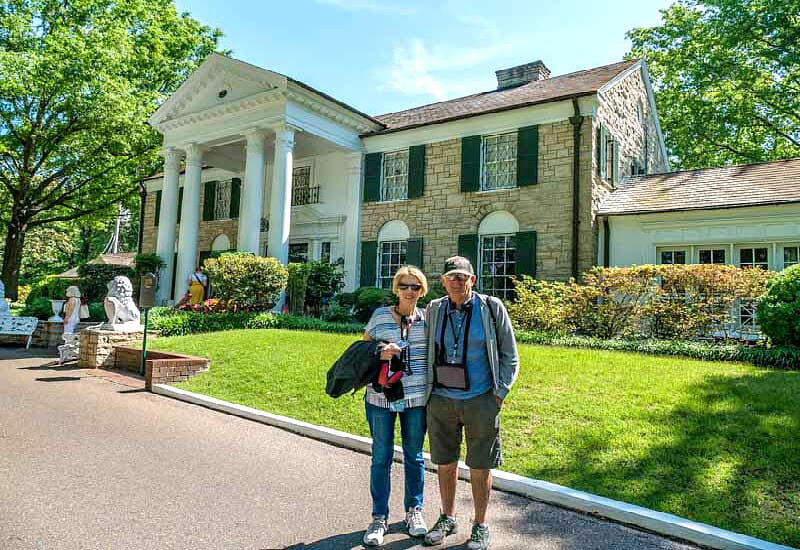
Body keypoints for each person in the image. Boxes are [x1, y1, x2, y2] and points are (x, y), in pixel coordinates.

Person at [423, 256, 519, 550]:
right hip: (440, 399)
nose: (457, 281)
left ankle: (480, 524)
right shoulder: (435, 309)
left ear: (472, 280)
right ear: (443, 281)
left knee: (480, 465)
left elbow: (509, 355)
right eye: (451, 277)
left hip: (481, 399)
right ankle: (447, 518)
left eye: (462, 277)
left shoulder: (491, 308)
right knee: (444, 463)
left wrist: (499, 393)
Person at [361, 266, 430, 546]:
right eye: (404, 286)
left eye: (415, 286)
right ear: (396, 289)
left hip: (415, 399)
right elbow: (362, 349)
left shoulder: (428, 318)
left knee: (414, 457)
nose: (410, 291)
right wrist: (381, 351)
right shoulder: (380, 316)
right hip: (381, 398)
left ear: (422, 290)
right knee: (381, 457)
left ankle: (414, 511)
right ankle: (379, 517)